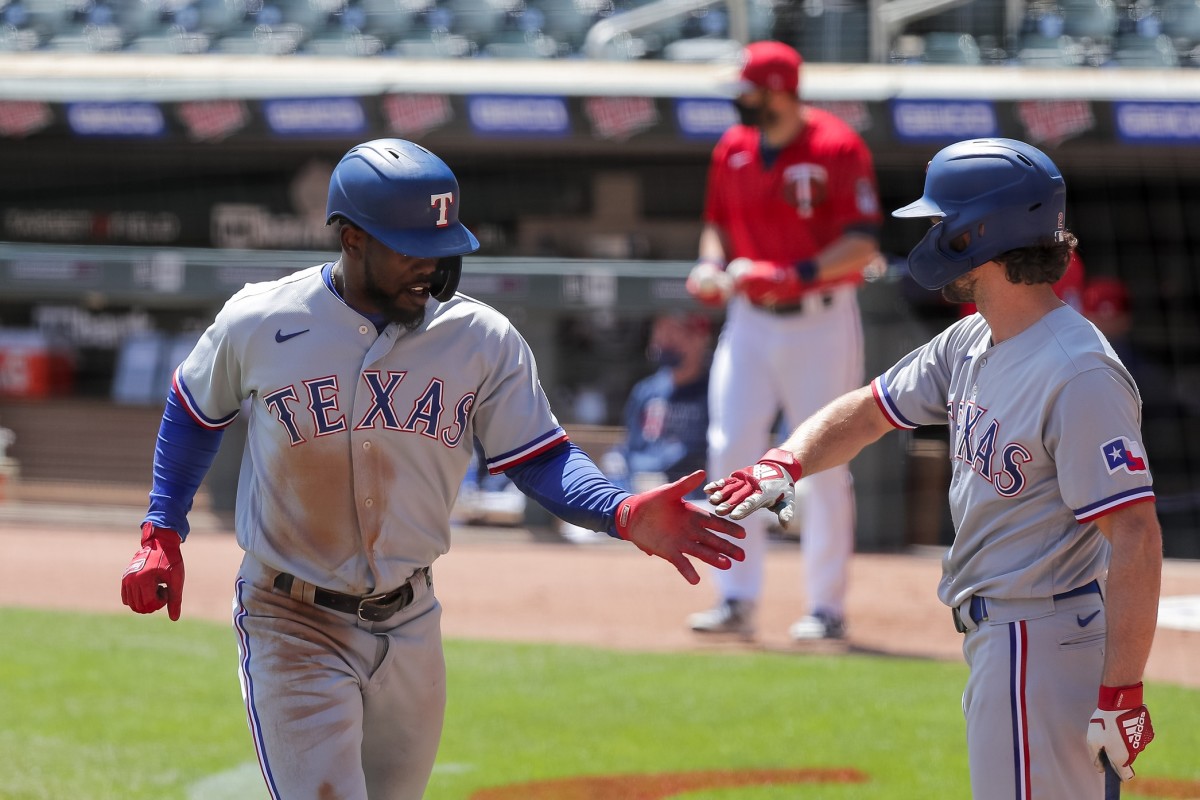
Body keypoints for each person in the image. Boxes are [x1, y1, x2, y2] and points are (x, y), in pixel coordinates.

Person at [118, 138, 745, 800]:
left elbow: (540, 457)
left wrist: (619, 511)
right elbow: (194, 408)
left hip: (410, 622)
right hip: (290, 619)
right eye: (410, 247)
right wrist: (162, 529)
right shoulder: (261, 319)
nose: (434, 268)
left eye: (442, 249)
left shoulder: (482, 340)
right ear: (353, 238)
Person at [703, 138, 1160, 798]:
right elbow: (868, 412)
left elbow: (1137, 535)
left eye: (943, 221)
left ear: (983, 231)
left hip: (1043, 640)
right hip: (1009, 638)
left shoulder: (1078, 372)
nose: (933, 235)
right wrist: (785, 462)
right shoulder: (973, 337)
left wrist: (1122, 692)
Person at [684, 39, 883, 640]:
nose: (738, 101)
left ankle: (826, 607)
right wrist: (711, 267)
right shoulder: (734, 147)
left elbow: (864, 242)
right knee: (729, 449)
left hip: (819, 318)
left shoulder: (837, 144)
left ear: (776, 90)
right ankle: (735, 598)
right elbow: (716, 226)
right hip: (749, 321)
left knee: (821, 460)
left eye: (747, 89)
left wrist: (790, 273)